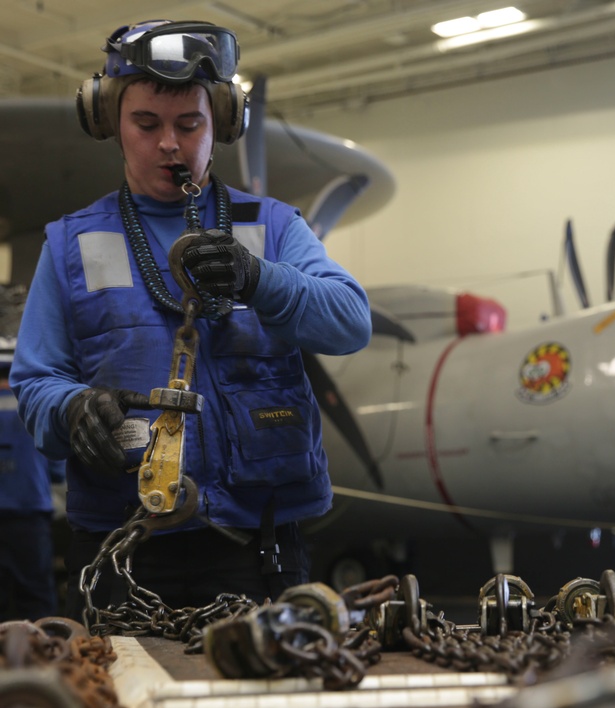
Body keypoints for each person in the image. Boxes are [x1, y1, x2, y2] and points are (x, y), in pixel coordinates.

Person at [9, 20, 371, 620]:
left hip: (257, 547)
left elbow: (349, 323)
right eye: (146, 124)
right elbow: (36, 382)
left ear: (222, 123)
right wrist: (72, 411)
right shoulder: (69, 244)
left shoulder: (274, 227)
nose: (169, 145)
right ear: (110, 123)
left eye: (190, 124)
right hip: (119, 550)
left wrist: (258, 278)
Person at [0, 338, 65, 621]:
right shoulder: (36, 406)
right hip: (29, 511)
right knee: (36, 595)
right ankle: (45, 656)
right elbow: (57, 469)